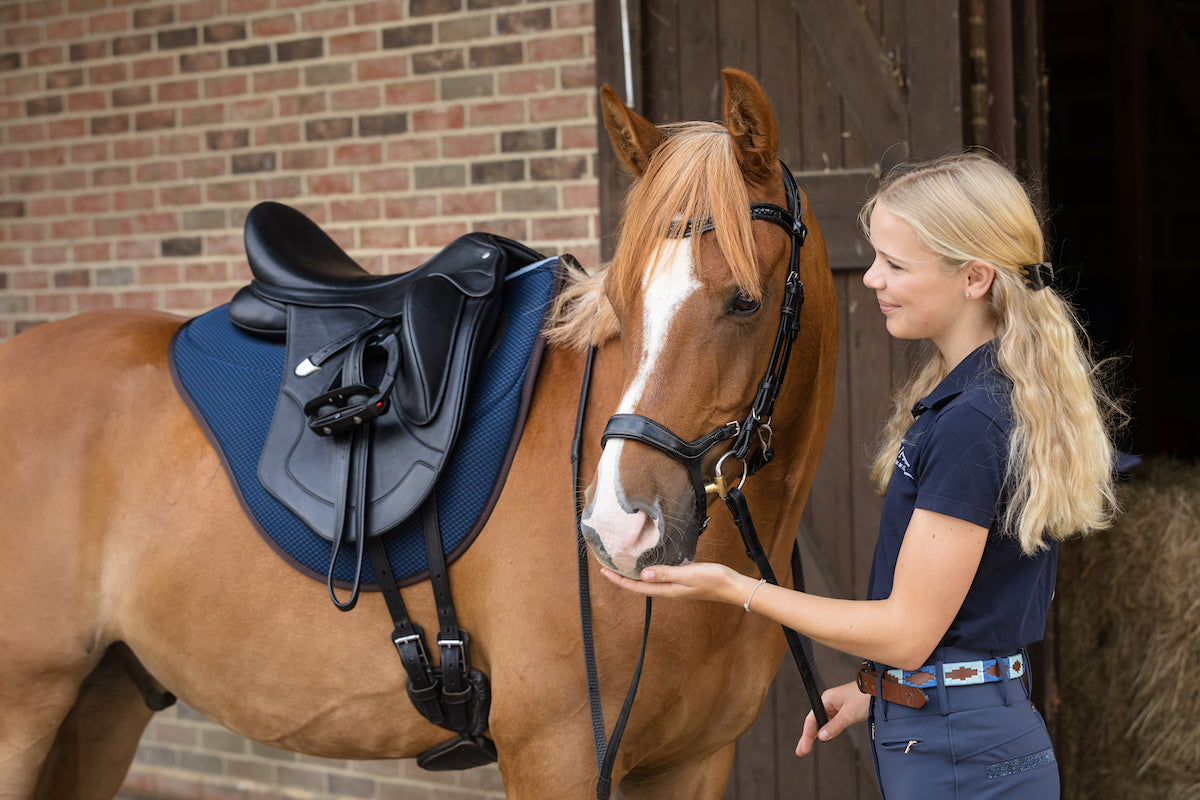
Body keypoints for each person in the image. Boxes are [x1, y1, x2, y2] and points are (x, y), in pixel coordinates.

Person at [600, 151, 1122, 798]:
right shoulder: (973, 397)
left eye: (896, 265)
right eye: (875, 257)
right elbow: (969, 619)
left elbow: (907, 632)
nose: (871, 278)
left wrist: (734, 587)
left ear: (975, 278)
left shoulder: (972, 423)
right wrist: (878, 693)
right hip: (958, 733)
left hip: (959, 759)